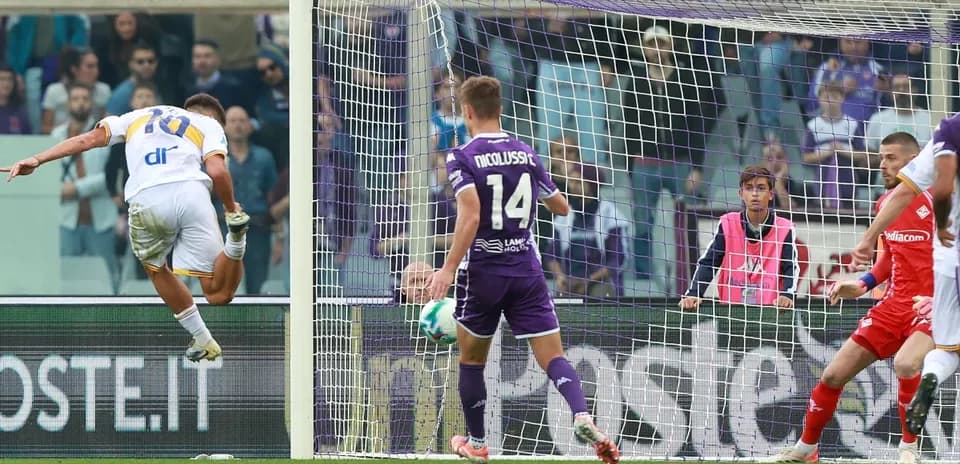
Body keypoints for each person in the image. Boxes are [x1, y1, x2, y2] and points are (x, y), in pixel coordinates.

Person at [424, 76, 619, 464]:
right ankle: (582, 413)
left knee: (472, 360)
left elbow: (471, 215)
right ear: (499, 108)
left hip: (483, 271)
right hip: (526, 269)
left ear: (466, 112)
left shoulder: (461, 156)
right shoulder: (526, 153)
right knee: (554, 357)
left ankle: (477, 443)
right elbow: (562, 207)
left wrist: (446, 269)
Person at [1, 93, 250, 363]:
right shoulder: (208, 125)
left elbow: (85, 140)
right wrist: (230, 209)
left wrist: (37, 160)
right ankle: (236, 238)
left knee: (156, 267)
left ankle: (202, 338)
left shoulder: (134, 118)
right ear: (212, 117)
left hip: (148, 197)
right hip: (193, 193)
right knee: (218, 293)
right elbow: (217, 172)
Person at [769, 132, 933, 464]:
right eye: (881, 157)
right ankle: (806, 449)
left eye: (891, 158)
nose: (882, 165)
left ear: (914, 163)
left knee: (905, 363)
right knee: (832, 375)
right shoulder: (884, 204)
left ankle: (908, 449)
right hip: (893, 305)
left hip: (932, 306)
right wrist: (860, 284)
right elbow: (889, 259)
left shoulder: (941, 201)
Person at [849, 116, 960, 440]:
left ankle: (932, 378)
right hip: (929, 276)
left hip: (948, 259)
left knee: (947, 348)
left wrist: (869, 238)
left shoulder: (948, 130)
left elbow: (908, 193)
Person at [680, 166, 799, 309]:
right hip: (731, 315)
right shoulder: (728, 223)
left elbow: (790, 267)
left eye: (761, 188)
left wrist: (787, 294)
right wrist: (694, 293)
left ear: (771, 194)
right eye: (749, 188)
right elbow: (709, 263)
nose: (755, 194)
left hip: (771, 315)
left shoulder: (784, 228)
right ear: (741, 193)